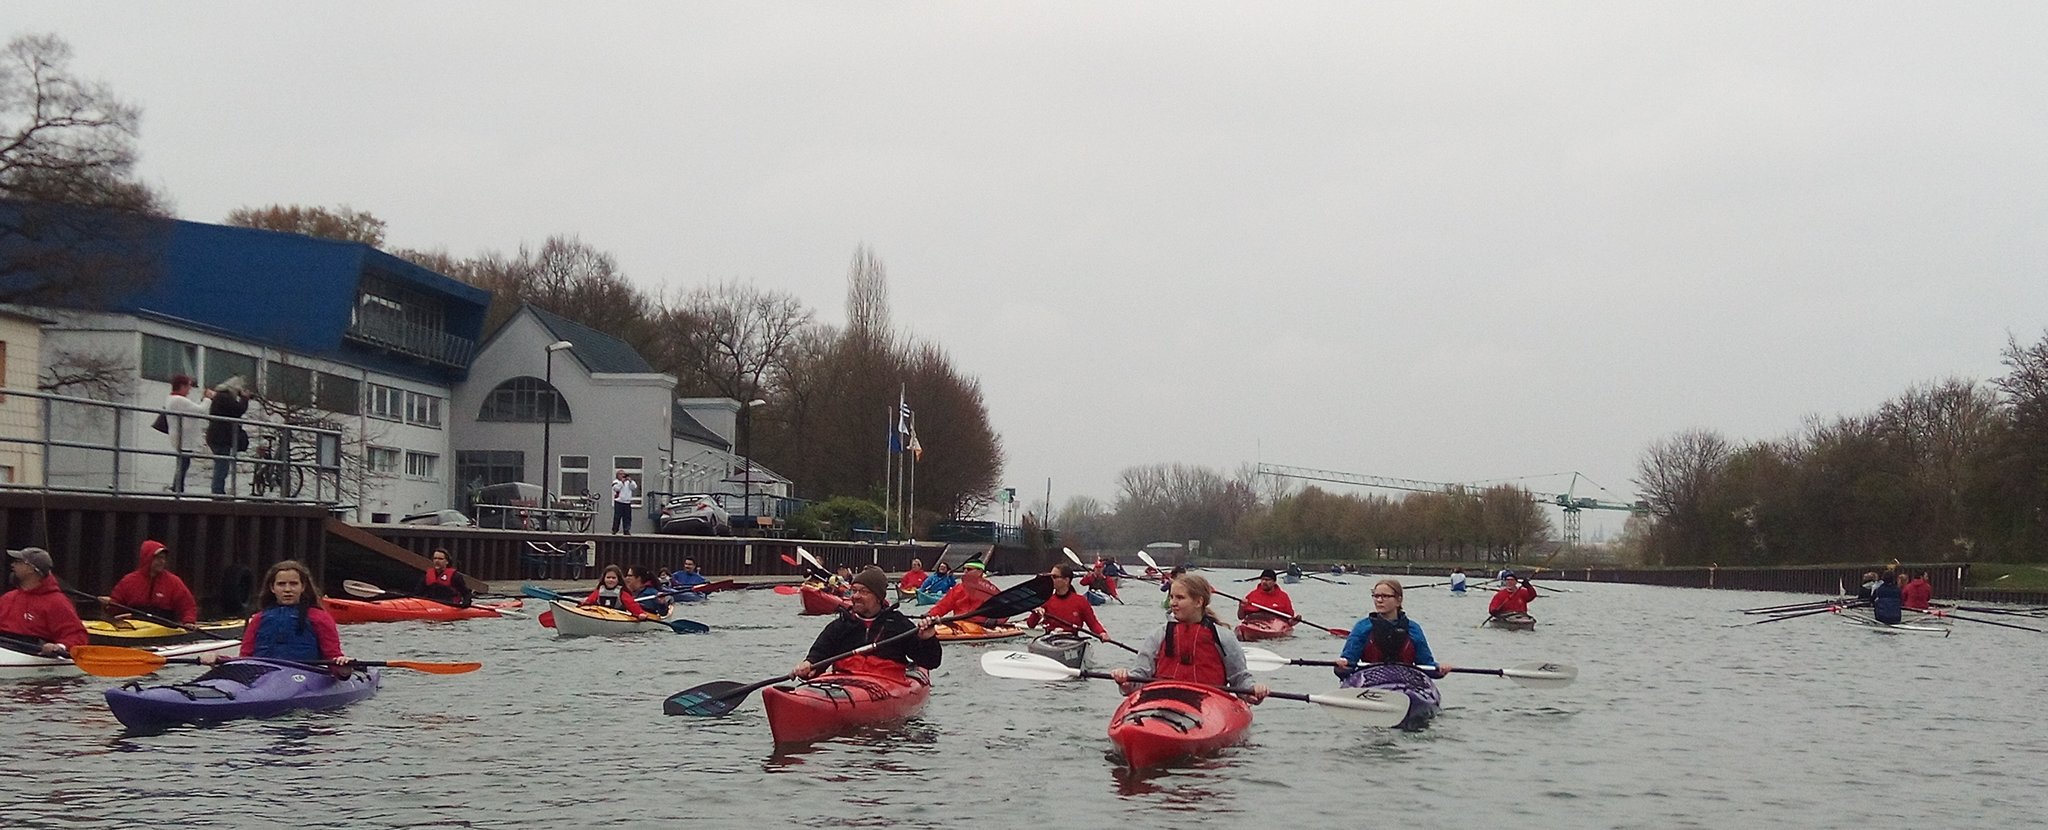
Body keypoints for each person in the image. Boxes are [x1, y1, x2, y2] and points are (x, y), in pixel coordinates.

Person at [1110, 574, 1268, 703]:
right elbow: (1140, 675)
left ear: (1199, 602)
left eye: (1180, 598)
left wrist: (1252, 690)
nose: (1173, 603)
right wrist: (1126, 680)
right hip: (1161, 699)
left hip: (1209, 703)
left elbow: (1239, 678)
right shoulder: (1159, 635)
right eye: (1171, 597)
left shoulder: (1223, 637)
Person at [793, 566, 940, 679]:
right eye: (854, 591)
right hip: (845, 682)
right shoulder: (839, 626)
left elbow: (930, 662)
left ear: (878, 597)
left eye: (863, 592)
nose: (856, 596)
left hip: (887, 683)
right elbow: (818, 657)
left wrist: (928, 638)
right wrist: (807, 666)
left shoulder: (898, 624)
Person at [200, 559, 350, 669]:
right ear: (272, 588)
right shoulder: (259, 619)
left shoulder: (319, 617)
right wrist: (218, 659)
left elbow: (333, 656)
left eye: (293, 584)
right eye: (281, 584)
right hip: (262, 675)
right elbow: (245, 659)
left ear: (303, 587)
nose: (287, 589)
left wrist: (343, 667)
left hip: (305, 675)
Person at [1334, 579, 1450, 679]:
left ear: (1398, 600)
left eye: (1385, 596)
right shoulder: (1362, 627)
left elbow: (1426, 665)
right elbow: (1349, 661)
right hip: (1370, 680)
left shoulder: (1413, 628)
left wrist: (1440, 668)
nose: (1379, 600)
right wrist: (1342, 666)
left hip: (1405, 681)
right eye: (1376, 596)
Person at [0, 547, 88, 656]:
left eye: (18, 562)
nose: (12, 565)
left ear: (31, 569)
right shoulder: (8, 597)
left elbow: (77, 635)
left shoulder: (57, 602)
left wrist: (59, 647)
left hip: (31, 653)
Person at [101, 539, 199, 625]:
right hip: (134, 626)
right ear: (147, 558)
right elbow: (116, 608)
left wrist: (189, 621)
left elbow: (188, 605)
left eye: (163, 558)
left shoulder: (174, 582)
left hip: (164, 627)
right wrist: (109, 604)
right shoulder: (128, 581)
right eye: (158, 558)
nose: (162, 562)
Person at [1026, 564, 1112, 640]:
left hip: (1072, 640)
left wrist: (1102, 633)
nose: (1051, 580)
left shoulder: (1080, 601)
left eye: (1054, 577)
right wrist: (1036, 613)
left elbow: (1093, 624)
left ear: (1066, 580)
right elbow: (1030, 624)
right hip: (1050, 639)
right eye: (1050, 577)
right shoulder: (1045, 600)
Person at [163, 374, 210, 493]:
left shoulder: (172, 399)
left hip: (180, 436)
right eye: (188, 386)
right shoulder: (178, 400)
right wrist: (208, 398)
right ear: (182, 386)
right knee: (184, 463)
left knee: (183, 462)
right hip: (183, 437)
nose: (190, 389)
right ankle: (178, 488)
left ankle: (177, 487)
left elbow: (193, 409)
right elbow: (201, 410)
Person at [205, 377, 251, 495]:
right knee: (222, 465)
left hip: (217, 436)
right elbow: (239, 409)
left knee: (222, 464)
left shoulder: (220, 397)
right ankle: (218, 491)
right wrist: (244, 398)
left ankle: (218, 490)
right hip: (220, 438)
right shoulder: (224, 397)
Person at [928, 559, 1005, 625]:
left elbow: (1005, 609)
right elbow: (943, 606)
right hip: (960, 624)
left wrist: (997, 620)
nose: (965, 571)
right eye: (964, 569)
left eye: (969, 569)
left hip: (982, 626)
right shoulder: (957, 588)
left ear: (980, 571)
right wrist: (930, 615)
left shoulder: (989, 589)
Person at [583, 565, 659, 619]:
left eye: (613, 578)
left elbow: (632, 605)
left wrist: (640, 614)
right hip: (601, 614)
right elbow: (589, 601)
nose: (611, 580)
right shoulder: (598, 591)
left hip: (618, 616)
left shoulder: (622, 593)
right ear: (604, 579)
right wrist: (582, 604)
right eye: (608, 577)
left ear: (618, 580)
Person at [610, 469, 637, 534]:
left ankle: (626, 530)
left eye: (623, 474)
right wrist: (622, 482)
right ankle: (615, 530)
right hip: (619, 501)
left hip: (627, 502)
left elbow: (634, 487)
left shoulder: (628, 482)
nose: (623, 475)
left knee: (627, 517)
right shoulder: (616, 482)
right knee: (617, 517)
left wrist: (630, 481)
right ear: (617, 475)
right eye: (621, 474)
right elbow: (616, 488)